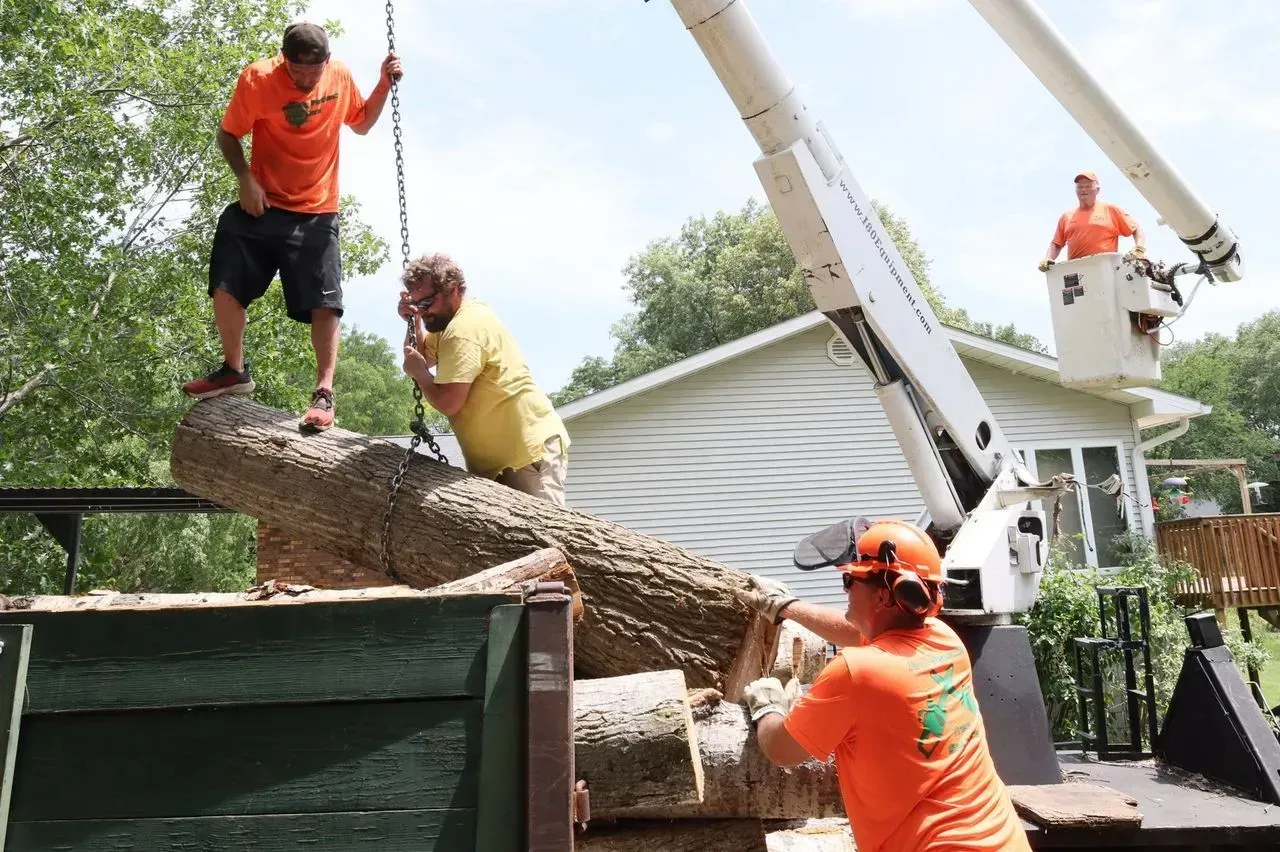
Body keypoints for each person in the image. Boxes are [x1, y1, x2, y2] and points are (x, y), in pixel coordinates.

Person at [734, 519, 1032, 852]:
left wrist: (768, 707)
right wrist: (788, 607)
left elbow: (781, 749)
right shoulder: (944, 641)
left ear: (886, 596)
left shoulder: (854, 673)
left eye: (851, 580)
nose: (844, 589)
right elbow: (860, 633)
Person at [182, 22, 403, 433]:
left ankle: (323, 392)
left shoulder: (339, 74)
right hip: (264, 205)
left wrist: (384, 83)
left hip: (318, 210)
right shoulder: (258, 79)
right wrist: (245, 178)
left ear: (326, 62)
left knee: (325, 301)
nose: (305, 80)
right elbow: (228, 134)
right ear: (283, 59)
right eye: (297, 72)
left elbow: (362, 123)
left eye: (313, 72)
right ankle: (234, 370)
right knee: (226, 275)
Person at [397, 253, 571, 507]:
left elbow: (448, 402)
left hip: (524, 455)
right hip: (499, 463)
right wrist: (414, 321)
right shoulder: (449, 321)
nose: (424, 311)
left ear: (453, 289)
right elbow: (420, 357)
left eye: (427, 303)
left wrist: (422, 375)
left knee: (544, 537)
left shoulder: (464, 329)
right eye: (417, 304)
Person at [1038, 170, 1146, 272]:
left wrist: (1139, 248)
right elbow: (1056, 243)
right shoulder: (1066, 216)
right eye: (1080, 187)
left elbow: (1135, 228)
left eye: (1088, 186)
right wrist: (1048, 258)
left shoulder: (1110, 209)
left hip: (1105, 269)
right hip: (1077, 271)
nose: (1083, 190)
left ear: (1097, 190)